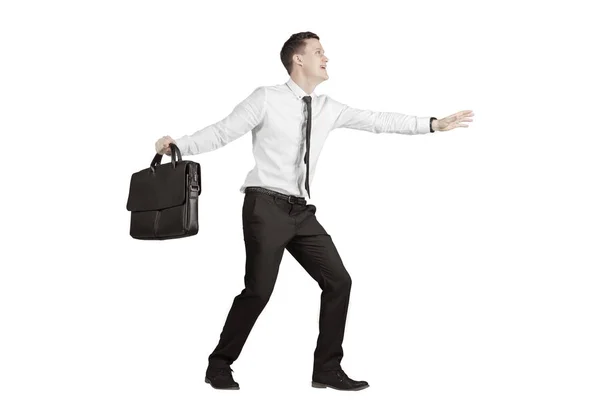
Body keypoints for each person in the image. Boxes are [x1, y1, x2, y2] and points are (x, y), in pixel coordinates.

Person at [155, 31, 474, 391]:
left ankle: (326, 369)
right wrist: (178, 145)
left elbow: (378, 120)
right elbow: (223, 132)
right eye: (319, 52)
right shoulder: (266, 98)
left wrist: (433, 124)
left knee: (339, 281)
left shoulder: (327, 108)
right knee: (258, 291)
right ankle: (219, 364)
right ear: (298, 59)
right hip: (265, 205)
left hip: (301, 213)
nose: (326, 58)